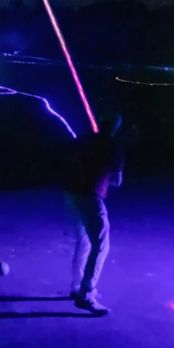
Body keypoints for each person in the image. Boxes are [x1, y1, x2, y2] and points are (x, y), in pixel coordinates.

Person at [64, 116, 125, 315]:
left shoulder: (84, 139)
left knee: (83, 242)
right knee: (100, 246)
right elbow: (117, 181)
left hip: (71, 193)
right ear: (116, 127)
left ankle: (76, 288)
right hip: (91, 196)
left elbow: (68, 162)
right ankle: (86, 294)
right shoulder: (114, 147)